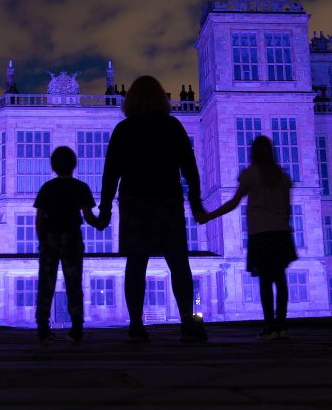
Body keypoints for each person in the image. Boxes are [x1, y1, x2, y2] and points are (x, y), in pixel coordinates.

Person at [99, 75, 208, 343]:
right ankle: (186, 321)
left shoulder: (124, 130)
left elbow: (110, 173)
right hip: (166, 199)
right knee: (178, 262)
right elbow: (190, 169)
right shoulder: (172, 126)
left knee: (136, 263)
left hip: (134, 201)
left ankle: (136, 323)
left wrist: (104, 211)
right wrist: (196, 202)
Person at [201, 135, 297, 340]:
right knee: (280, 279)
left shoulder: (250, 174)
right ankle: (282, 325)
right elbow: (287, 208)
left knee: (265, 281)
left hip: (260, 233)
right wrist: (284, 226)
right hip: (280, 233)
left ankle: (269, 325)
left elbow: (234, 203)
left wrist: (210, 216)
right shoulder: (280, 175)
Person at [33, 146, 105, 344]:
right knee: (73, 283)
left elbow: (39, 219)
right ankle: (76, 329)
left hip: (50, 238)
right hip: (72, 238)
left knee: (46, 284)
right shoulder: (80, 187)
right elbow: (89, 217)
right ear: (74, 165)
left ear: (54, 166)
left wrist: (42, 241)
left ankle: (42, 328)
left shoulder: (47, 188)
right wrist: (102, 223)